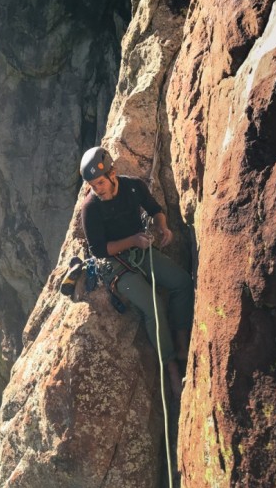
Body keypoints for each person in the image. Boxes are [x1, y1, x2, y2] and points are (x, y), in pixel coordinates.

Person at [79, 146, 193, 398]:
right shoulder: (91, 208)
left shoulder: (132, 187)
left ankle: (182, 344)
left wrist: (163, 228)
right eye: (92, 185)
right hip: (115, 264)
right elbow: (99, 250)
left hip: (140, 249)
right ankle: (170, 366)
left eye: (100, 183)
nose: (97, 189)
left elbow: (155, 209)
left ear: (112, 174)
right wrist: (132, 240)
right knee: (154, 306)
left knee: (182, 282)